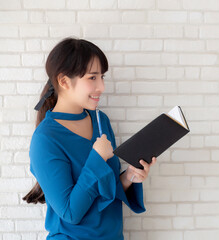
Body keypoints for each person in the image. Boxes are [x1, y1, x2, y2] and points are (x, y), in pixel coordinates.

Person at [22, 37, 156, 239]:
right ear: (64, 81)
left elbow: (105, 191)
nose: (101, 87)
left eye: (102, 77)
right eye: (92, 78)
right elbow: (70, 213)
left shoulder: (101, 121)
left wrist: (129, 177)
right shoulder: (45, 140)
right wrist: (97, 158)